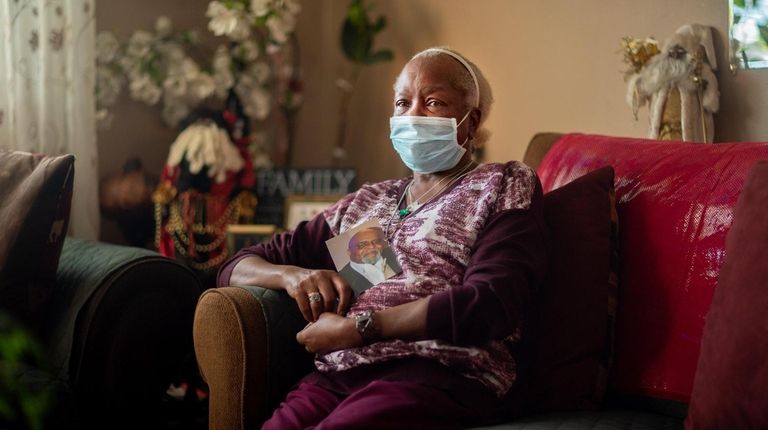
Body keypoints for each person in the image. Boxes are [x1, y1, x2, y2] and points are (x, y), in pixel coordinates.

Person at [217, 46, 548, 429]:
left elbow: (491, 302)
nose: (413, 116)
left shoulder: (500, 184)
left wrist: (361, 329)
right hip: (338, 377)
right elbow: (235, 266)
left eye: (434, 102)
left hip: (436, 374)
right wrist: (293, 276)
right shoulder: (369, 204)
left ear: (471, 123)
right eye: (403, 103)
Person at [339, 226, 402, 296]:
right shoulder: (341, 278)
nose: (372, 247)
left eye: (376, 241)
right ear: (349, 252)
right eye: (362, 245)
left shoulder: (396, 250)